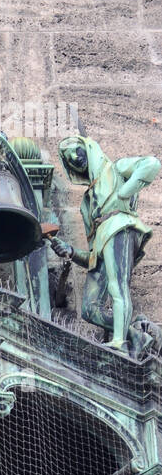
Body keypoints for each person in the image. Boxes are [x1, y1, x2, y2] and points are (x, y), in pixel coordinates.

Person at [51, 135, 160, 352]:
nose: (74, 157)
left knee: (117, 286)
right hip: (102, 240)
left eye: (76, 150)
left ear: (89, 149)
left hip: (119, 227)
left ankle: (119, 341)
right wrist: (71, 251)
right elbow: (93, 257)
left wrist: (125, 192)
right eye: (68, 157)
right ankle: (134, 335)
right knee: (89, 309)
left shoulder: (115, 169)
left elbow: (151, 164)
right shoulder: (86, 203)